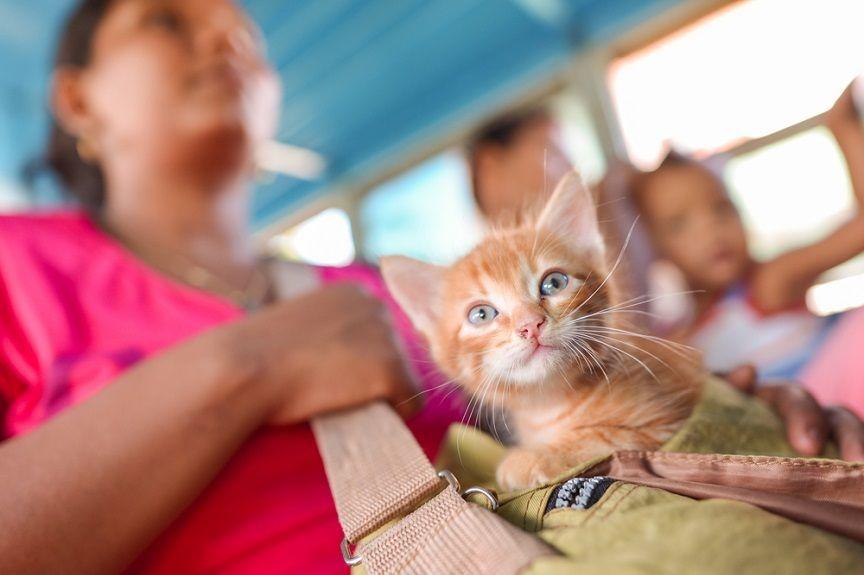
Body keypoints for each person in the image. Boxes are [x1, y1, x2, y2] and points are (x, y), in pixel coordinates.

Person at [0, 2, 860, 574]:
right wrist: (253, 361)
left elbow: (553, 453)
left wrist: (715, 421)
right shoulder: (18, 265)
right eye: (166, 20)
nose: (224, 36)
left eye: (244, 32)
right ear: (76, 98)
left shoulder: (380, 292)